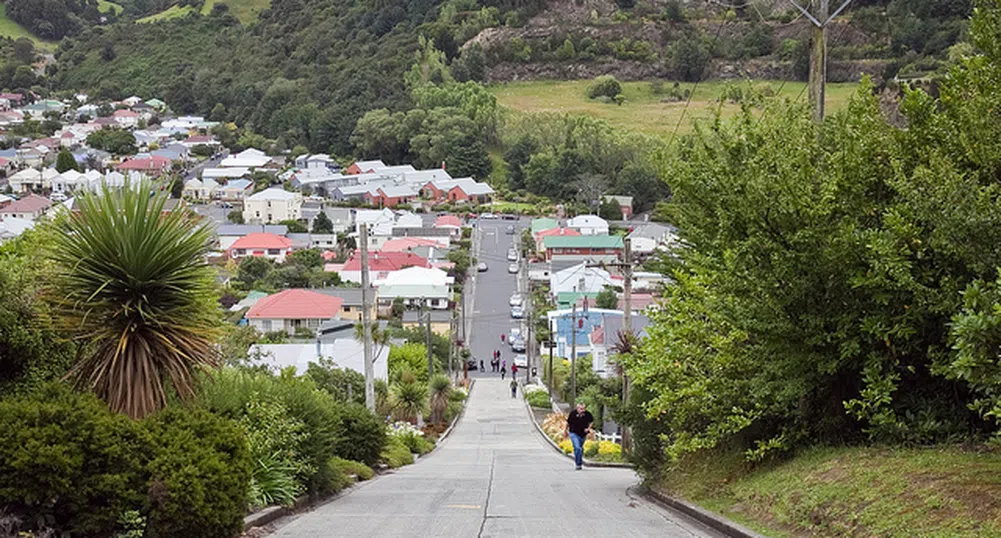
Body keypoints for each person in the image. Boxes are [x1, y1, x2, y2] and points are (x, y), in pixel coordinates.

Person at [566, 402, 594, 470]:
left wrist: (588, 429)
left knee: (580, 449)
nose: (582, 410)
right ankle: (578, 464)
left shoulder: (587, 414)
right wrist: (565, 431)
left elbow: (591, 422)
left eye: (584, 409)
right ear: (577, 408)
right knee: (577, 447)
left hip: (583, 434)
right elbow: (568, 422)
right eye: (581, 409)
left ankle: (579, 460)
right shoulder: (573, 414)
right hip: (573, 432)